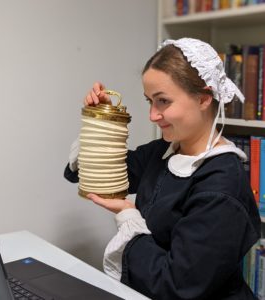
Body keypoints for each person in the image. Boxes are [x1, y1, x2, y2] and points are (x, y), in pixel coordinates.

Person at [64, 38, 261, 300]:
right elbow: (91, 173)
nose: (152, 115)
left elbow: (178, 286)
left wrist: (128, 217)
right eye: (149, 101)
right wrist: (102, 122)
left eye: (163, 101)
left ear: (203, 98)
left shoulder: (222, 185)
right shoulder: (162, 152)